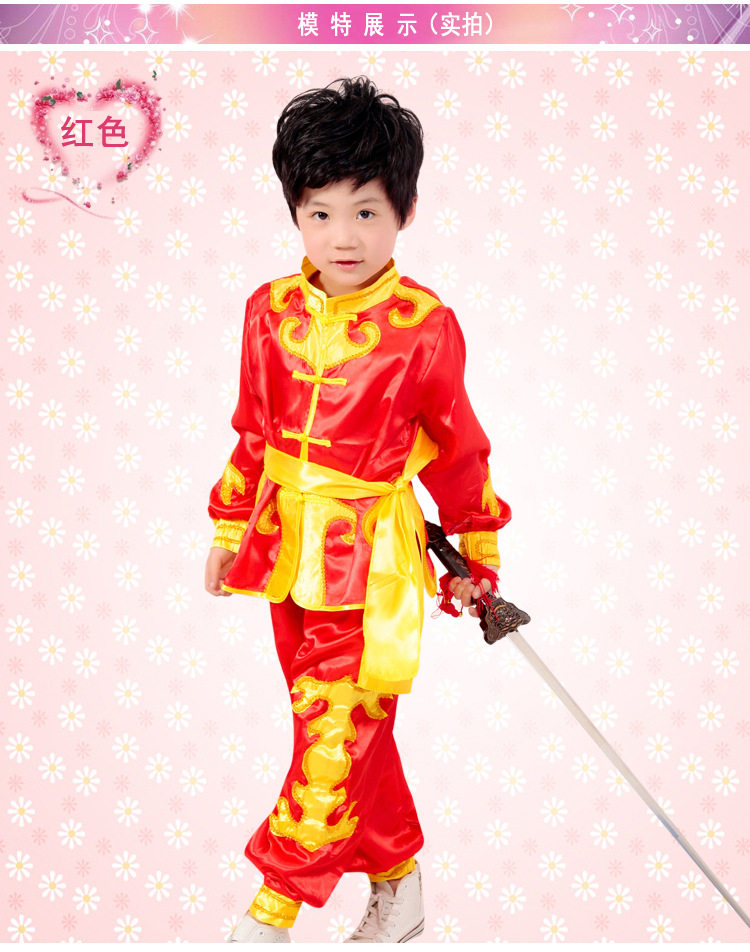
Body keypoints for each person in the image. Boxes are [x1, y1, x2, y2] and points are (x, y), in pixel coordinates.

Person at [204, 76, 511, 943]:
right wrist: (229, 525)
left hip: (371, 566)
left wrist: (478, 557)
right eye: (321, 213)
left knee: (330, 735)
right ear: (296, 215)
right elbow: (254, 431)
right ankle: (399, 886)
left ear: (404, 211)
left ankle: (271, 914)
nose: (344, 235)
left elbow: (459, 447)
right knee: (343, 732)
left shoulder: (424, 326)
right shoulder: (267, 312)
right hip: (281, 553)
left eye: (367, 211)